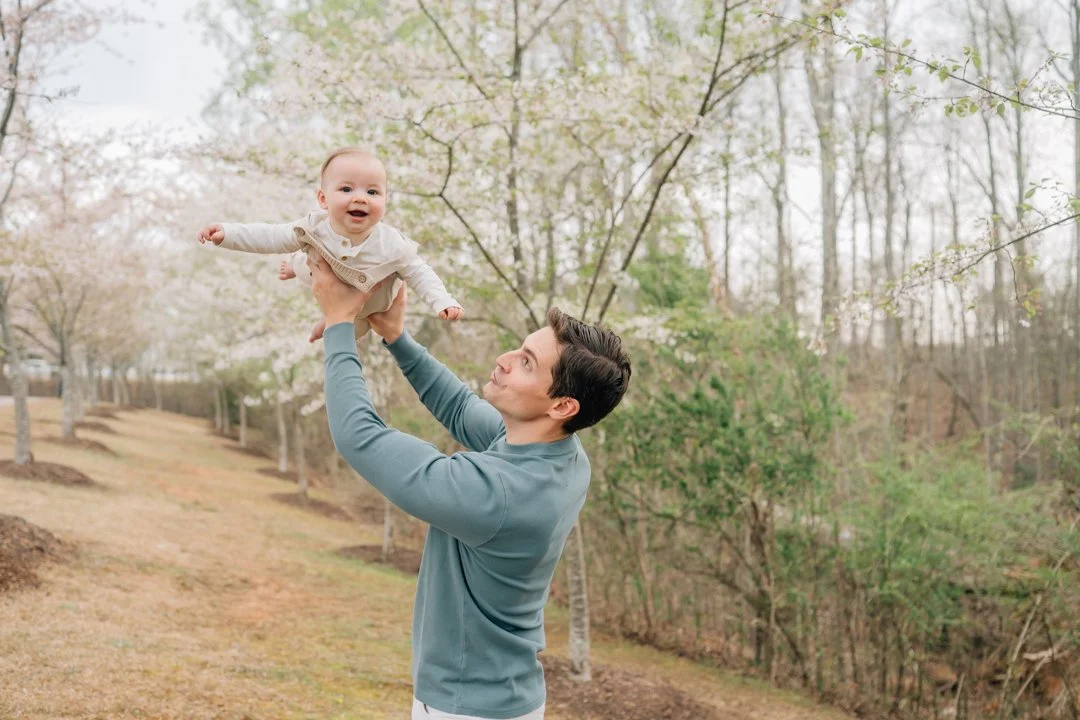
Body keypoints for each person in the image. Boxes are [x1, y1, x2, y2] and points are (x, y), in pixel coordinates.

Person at [306, 255, 631, 720]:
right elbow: (461, 408)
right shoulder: (564, 455)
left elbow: (360, 437)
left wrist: (340, 326)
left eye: (525, 362)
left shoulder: (495, 493)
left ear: (562, 405)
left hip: (465, 710)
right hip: (505, 700)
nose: (503, 360)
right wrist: (396, 337)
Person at [196, 147, 464, 343]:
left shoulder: (392, 243)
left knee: (352, 332)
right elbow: (271, 236)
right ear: (323, 199)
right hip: (320, 273)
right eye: (346, 190)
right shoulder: (313, 227)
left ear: (385, 201)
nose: (360, 198)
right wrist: (226, 234)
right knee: (305, 262)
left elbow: (420, 272)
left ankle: (327, 323)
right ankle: (294, 268)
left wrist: (442, 301)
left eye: (372, 192)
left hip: (371, 304)